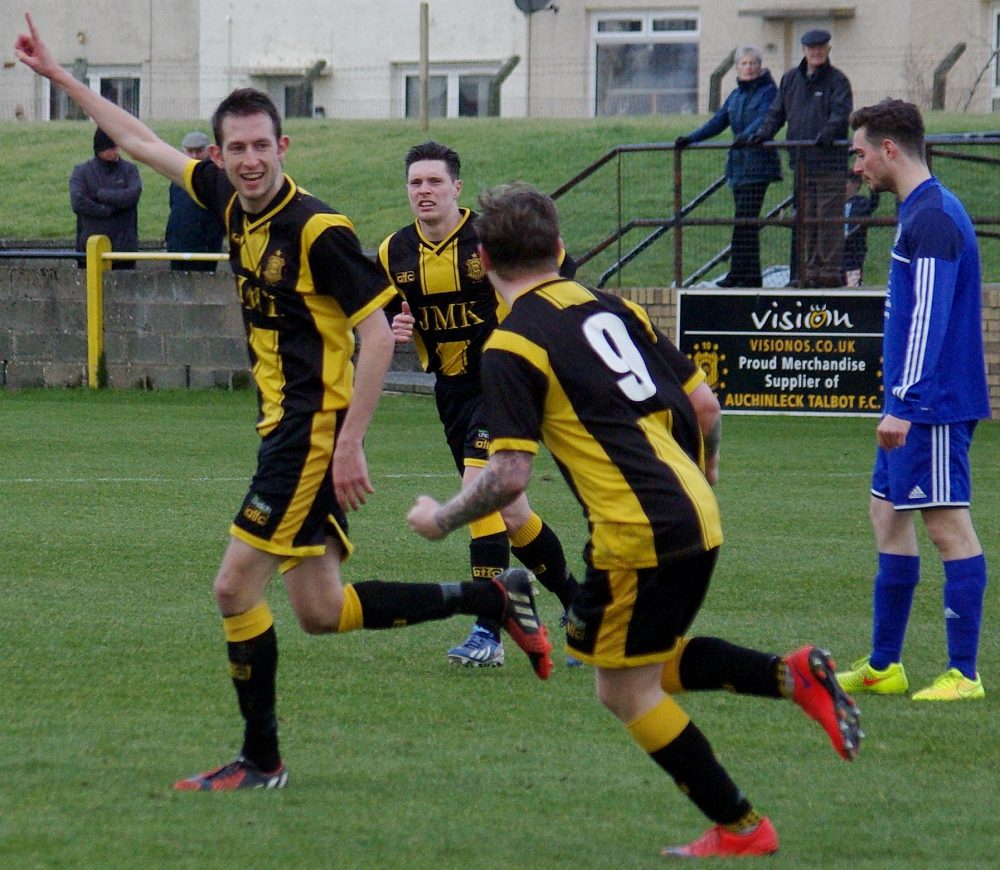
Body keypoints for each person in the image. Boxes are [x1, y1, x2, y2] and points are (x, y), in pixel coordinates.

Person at [16, 12, 554, 792]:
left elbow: (377, 333)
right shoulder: (230, 203)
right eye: (234, 148)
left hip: (308, 434)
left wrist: (348, 443)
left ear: (282, 148)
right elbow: (138, 141)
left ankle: (261, 761)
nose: (247, 160)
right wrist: (62, 79)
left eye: (260, 146)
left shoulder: (318, 228)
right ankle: (491, 594)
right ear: (221, 153)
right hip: (285, 428)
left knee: (234, 588)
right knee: (319, 611)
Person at [408, 181, 862, 859]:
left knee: (622, 690)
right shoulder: (612, 306)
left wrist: (440, 519)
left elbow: (507, 476)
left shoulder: (510, 346)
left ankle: (744, 825)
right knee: (632, 669)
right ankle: (791, 675)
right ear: (560, 248)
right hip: (693, 514)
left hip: (638, 531)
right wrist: (702, 476)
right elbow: (706, 406)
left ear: (481, 262)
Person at [378, 141, 580, 668]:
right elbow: (380, 314)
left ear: (456, 188)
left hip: (504, 379)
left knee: (478, 490)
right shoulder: (392, 252)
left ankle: (488, 629)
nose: (424, 191)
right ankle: (583, 608)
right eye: (416, 183)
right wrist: (396, 326)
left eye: (435, 182)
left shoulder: (489, 236)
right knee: (511, 511)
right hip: (452, 391)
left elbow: (559, 263)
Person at [836, 99, 990, 702]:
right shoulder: (921, 211)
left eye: (861, 152)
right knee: (886, 515)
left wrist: (904, 402)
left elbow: (927, 318)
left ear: (890, 149)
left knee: (947, 525)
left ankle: (964, 673)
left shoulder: (932, 218)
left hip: (933, 406)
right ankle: (885, 664)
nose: (858, 166)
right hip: (911, 402)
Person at [749, 29, 853, 288]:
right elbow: (776, 113)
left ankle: (827, 272)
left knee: (828, 219)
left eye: (821, 47)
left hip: (829, 163)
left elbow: (841, 113)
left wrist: (826, 134)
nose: (816, 52)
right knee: (806, 219)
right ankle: (807, 271)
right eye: (811, 48)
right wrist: (762, 134)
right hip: (802, 164)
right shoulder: (790, 80)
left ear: (828, 49)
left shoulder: (838, 81)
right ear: (804, 50)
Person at [674, 46, 781, 288]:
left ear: (760, 66)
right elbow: (718, 121)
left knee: (746, 219)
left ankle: (743, 274)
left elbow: (766, 118)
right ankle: (747, 274)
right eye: (744, 63)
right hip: (739, 167)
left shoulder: (768, 92)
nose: (749, 68)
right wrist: (691, 138)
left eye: (753, 63)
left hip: (758, 166)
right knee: (743, 220)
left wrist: (747, 136)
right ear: (737, 67)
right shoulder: (735, 96)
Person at [70, 126, 142, 269]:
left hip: (123, 251)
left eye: (117, 147)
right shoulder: (82, 172)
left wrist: (99, 195)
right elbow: (78, 201)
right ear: (100, 149)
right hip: (90, 251)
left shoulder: (129, 170)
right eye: (112, 148)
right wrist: (107, 210)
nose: (117, 151)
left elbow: (132, 195)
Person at [165, 130, 225, 272]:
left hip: (204, 246)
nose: (194, 156)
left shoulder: (217, 176)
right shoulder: (178, 177)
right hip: (177, 243)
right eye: (190, 151)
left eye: (199, 151)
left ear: (209, 151)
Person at [842, 172, 878, 287]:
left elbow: (873, 204)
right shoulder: (836, 204)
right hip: (838, 248)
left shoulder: (861, 202)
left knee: (853, 279)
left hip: (854, 249)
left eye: (846, 183)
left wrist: (873, 188)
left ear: (856, 185)